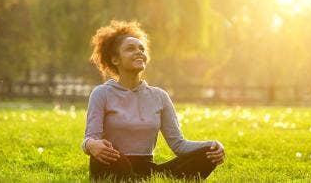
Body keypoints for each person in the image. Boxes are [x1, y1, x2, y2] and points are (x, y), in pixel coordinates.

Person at [82, 20, 225, 182]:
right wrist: (90, 145)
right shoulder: (101, 93)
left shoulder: (159, 96)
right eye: (130, 49)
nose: (139, 52)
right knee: (115, 161)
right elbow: (90, 139)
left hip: (146, 169)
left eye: (141, 49)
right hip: (111, 163)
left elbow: (179, 145)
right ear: (115, 59)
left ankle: (136, 179)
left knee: (208, 153)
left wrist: (213, 144)